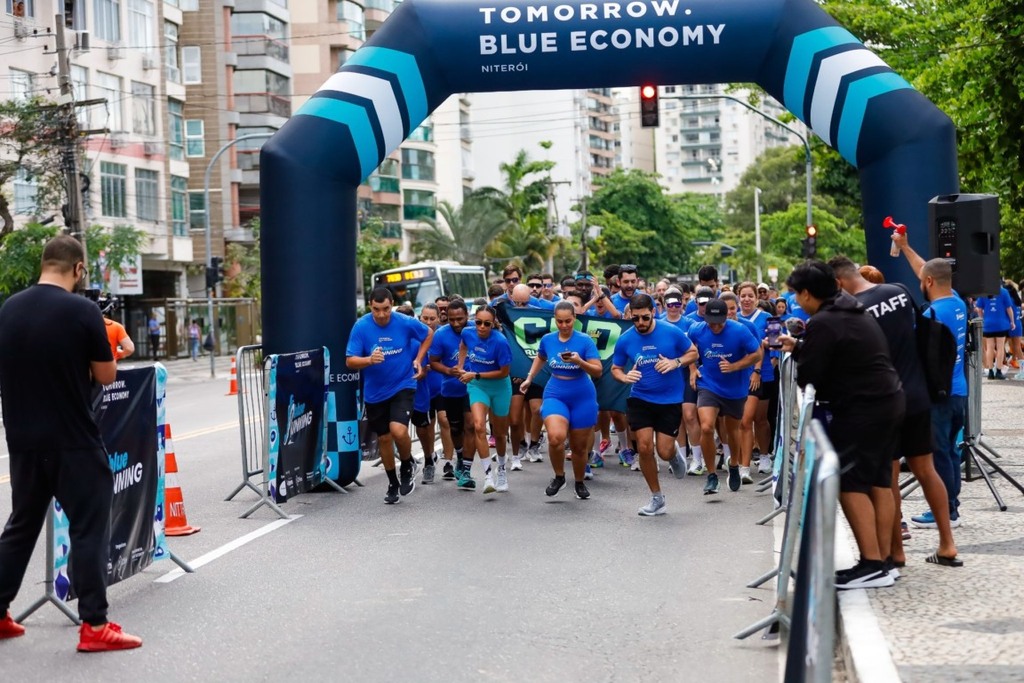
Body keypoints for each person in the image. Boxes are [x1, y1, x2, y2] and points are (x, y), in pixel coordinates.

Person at [0, 235, 142, 650]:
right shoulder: (83, 311)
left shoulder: (9, 309)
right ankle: (95, 626)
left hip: (23, 439)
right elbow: (106, 375)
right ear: (78, 269)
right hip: (74, 440)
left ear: (44, 263)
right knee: (89, 528)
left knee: (21, 526)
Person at [777, 260, 903, 589]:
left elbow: (810, 375)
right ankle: (886, 561)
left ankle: (872, 564)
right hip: (888, 400)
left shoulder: (824, 321)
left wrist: (803, 351)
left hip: (863, 408)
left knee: (849, 483)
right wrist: (805, 346)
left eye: (795, 294)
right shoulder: (851, 309)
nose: (796, 301)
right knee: (878, 481)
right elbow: (841, 351)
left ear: (806, 294)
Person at [830, 256, 961, 570]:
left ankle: (894, 553)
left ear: (838, 283)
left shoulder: (853, 311)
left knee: (886, 479)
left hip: (885, 401)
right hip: (917, 394)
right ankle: (947, 543)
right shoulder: (899, 291)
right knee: (926, 470)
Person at [890, 234, 970, 531]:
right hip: (959, 392)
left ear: (929, 284)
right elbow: (928, 269)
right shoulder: (957, 303)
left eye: (923, 281)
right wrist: (906, 246)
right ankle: (953, 507)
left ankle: (947, 512)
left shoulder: (931, 315)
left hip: (939, 395)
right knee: (949, 451)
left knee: (938, 454)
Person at [346, 287, 433, 505]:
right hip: (375, 392)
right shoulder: (361, 326)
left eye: (385, 309)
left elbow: (428, 334)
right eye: (377, 310)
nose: (382, 314)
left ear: (392, 304)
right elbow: (349, 361)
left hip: (403, 384)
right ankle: (392, 482)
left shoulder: (404, 322)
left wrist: (418, 359)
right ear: (370, 307)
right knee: (384, 438)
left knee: (398, 430)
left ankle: (406, 464)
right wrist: (368, 360)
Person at [612, 294, 698, 516]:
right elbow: (615, 368)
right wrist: (624, 377)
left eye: (645, 317)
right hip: (640, 398)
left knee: (664, 450)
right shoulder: (626, 339)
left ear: (654, 312)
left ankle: (674, 454)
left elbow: (693, 353)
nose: (640, 323)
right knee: (644, 447)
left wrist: (675, 362)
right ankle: (657, 497)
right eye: (636, 318)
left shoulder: (671, 332)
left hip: (669, 400)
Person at [520, 302, 604, 499]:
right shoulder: (548, 339)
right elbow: (540, 357)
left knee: (579, 446)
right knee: (556, 437)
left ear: (575, 318)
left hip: (582, 394)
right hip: (556, 391)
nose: (564, 325)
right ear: (554, 320)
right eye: (560, 321)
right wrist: (530, 377)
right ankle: (559, 476)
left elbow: (598, 371)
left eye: (568, 321)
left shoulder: (584, 341)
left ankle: (579, 482)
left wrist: (579, 361)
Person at [687, 299, 762, 495]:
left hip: (734, 388)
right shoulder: (697, 329)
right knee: (706, 426)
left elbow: (757, 354)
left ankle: (734, 465)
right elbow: (689, 350)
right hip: (708, 384)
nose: (715, 326)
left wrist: (735, 366)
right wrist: (693, 369)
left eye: (719, 321)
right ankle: (711, 476)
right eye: (711, 321)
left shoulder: (739, 331)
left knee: (732, 431)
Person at [457, 305, 513, 494]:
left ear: (493, 323)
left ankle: (502, 468)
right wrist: (461, 366)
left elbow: (504, 372)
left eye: (486, 324)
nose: (481, 327)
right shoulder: (467, 332)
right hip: (477, 385)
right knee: (479, 426)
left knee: (499, 433)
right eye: (478, 322)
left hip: (499, 386)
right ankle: (488, 475)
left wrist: (476, 374)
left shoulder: (500, 341)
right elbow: (463, 345)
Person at [429, 299, 477, 485]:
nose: (456, 323)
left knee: (471, 425)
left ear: (467, 316)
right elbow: (433, 362)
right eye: (452, 320)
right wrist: (449, 371)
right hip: (451, 389)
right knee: (455, 428)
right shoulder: (441, 335)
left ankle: (466, 469)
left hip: (474, 387)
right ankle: (459, 456)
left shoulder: (476, 330)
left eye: (460, 319)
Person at [408, 304, 443, 484]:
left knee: (439, 422)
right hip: (420, 388)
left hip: (441, 388)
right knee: (424, 428)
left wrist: (435, 366)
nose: (428, 322)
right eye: (425, 318)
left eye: (432, 319)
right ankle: (426, 458)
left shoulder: (442, 335)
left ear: (438, 318)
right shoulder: (414, 336)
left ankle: (439, 461)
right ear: (419, 318)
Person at [974, 283, 1016, 379]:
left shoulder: (984, 292)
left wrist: (983, 318)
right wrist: (1012, 321)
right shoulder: (1004, 292)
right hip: (1001, 323)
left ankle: (990, 371)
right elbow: (1009, 308)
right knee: (1000, 347)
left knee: (989, 347)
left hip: (988, 324)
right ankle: (998, 371)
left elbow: (979, 308)